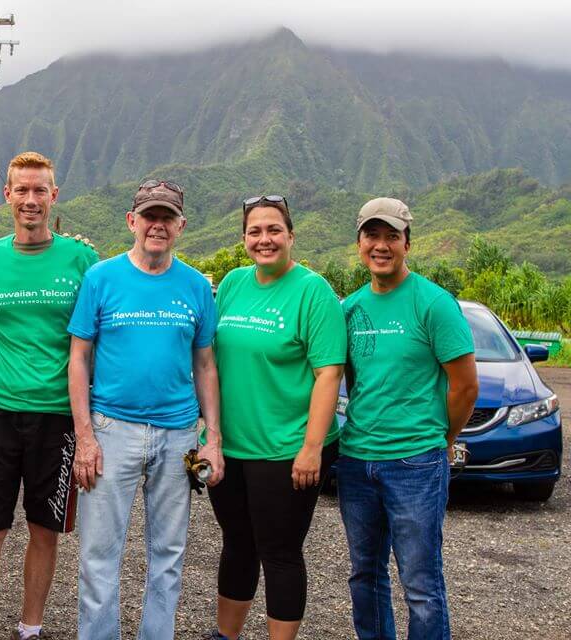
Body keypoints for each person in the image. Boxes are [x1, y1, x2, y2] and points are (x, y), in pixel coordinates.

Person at [68, 179, 223, 640]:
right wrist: (85, 437)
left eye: (167, 217)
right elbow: (78, 358)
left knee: (169, 556)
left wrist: (212, 439)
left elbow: (205, 364)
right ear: (131, 222)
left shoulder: (196, 286)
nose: (158, 225)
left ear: (181, 225)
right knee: (98, 556)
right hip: (111, 429)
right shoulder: (101, 278)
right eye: (149, 216)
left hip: (178, 435)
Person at [0, 151, 98, 640]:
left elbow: (95, 336)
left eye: (41, 190)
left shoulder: (83, 259)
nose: (31, 200)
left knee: (44, 528)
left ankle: (30, 628)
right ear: (8, 196)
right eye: (22, 190)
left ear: (54, 195)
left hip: (58, 414)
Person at [202, 196, 346, 640]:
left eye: (273, 230)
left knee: (279, 552)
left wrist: (311, 447)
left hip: (286, 448)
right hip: (231, 447)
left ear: (290, 235)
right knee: (237, 544)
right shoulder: (232, 284)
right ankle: (226, 635)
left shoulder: (312, 291)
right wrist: (211, 436)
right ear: (244, 238)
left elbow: (329, 374)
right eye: (255, 232)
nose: (264, 239)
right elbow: (211, 360)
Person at [337, 197, 478, 640]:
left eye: (391, 237)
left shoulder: (434, 303)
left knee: (420, 583)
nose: (381, 245)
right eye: (372, 236)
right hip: (356, 461)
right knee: (365, 576)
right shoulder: (349, 309)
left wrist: (441, 438)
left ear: (407, 244)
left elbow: (465, 386)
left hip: (416, 463)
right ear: (359, 243)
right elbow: (349, 380)